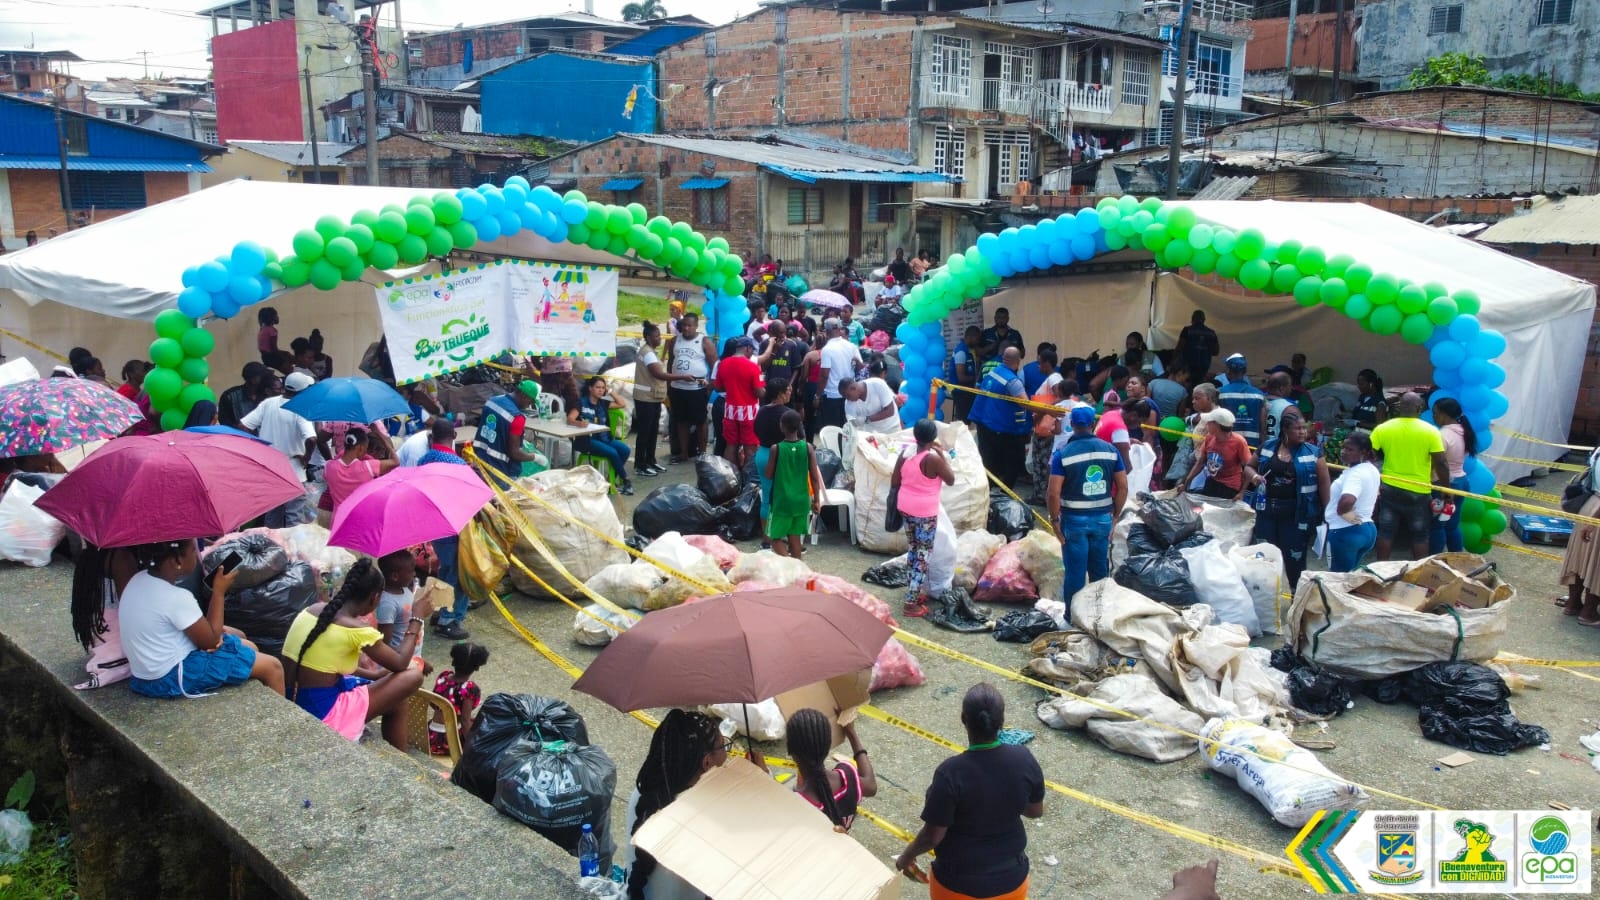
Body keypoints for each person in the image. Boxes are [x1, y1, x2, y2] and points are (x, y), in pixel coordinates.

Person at [895, 684, 1044, 899]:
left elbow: (932, 837)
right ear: (1001, 722)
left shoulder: (950, 773)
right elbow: (1035, 811)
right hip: (1012, 880)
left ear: (963, 719)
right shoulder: (1023, 758)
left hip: (958, 884)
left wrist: (905, 858)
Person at [282, 558, 430, 749]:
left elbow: (325, 665)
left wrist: (376, 675)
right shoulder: (356, 629)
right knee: (412, 675)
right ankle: (402, 761)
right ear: (375, 598)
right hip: (323, 714)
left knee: (397, 698)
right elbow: (401, 663)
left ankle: (401, 759)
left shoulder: (310, 611)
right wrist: (416, 617)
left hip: (292, 698)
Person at [119, 539, 284, 699]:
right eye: (192, 551)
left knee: (246, 642)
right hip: (170, 678)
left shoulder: (138, 579)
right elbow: (210, 643)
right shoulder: (177, 597)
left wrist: (213, 634)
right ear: (177, 560)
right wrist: (219, 592)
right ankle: (282, 725)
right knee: (273, 667)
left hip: (145, 674)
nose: (197, 556)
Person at [626, 710, 754, 899]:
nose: (727, 754)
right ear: (707, 762)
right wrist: (761, 781)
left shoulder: (642, 795)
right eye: (723, 747)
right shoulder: (709, 819)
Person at [1049, 406, 1129, 605]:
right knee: (1099, 571)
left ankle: (1072, 616)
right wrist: (1116, 515)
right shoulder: (1111, 451)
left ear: (1073, 425)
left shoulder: (1063, 454)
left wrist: (1054, 519)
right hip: (1102, 519)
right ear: (1093, 424)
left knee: (1075, 572)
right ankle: (1097, 616)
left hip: (1074, 521)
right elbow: (1123, 487)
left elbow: (1053, 492)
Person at [1247, 407, 1329, 587]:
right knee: (1265, 555)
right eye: (1298, 429)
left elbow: (1324, 483)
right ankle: (1267, 594)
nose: (1303, 432)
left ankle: (1295, 596)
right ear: (1285, 430)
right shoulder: (1267, 447)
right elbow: (1249, 466)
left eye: (1304, 428)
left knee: (1295, 559)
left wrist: (1327, 513)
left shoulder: (1314, 452)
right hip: (1267, 511)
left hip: (1297, 515)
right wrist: (1254, 477)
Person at [1370, 392, 1448, 561]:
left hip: (1389, 488)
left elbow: (1369, 453)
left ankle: (1380, 572)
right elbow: (1441, 463)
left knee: (1386, 532)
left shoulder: (1383, 428)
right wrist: (1446, 490)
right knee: (1420, 535)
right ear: (1420, 408)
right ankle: (1418, 574)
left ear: (1398, 407)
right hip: (1418, 491)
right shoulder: (1431, 431)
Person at [895, 418, 956, 617]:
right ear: (933, 437)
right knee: (923, 554)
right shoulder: (933, 459)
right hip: (925, 511)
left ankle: (913, 589)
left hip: (905, 505)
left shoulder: (905, 454)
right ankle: (911, 603)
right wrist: (941, 456)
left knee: (913, 548)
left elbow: (895, 479)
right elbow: (951, 480)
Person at [241, 371, 318, 527]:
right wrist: (306, 457)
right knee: (293, 518)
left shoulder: (269, 403)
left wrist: (257, 447)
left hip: (269, 469)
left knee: (272, 517)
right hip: (293, 471)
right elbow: (312, 438)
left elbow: (243, 426)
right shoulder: (300, 408)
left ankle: (271, 548)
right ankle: (290, 551)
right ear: (302, 391)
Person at [786, 709, 877, 831]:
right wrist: (852, 734)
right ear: (828, 746)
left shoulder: (796, 804)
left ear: (791, 752)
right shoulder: (847, 776)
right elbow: (871, 787)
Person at [764, 409, 824, 559]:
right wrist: (816, 500)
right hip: (801, 500)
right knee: (795, 538)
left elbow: (768, 474)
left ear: (782, 426)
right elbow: (815, 478)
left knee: (774, 537)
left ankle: (790, 565)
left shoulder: (776, 449)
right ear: (799, 426)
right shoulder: (808, 447)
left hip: (782, 501)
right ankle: (798, 572)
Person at [971, 346, 1030, 488]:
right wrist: (1048, 411)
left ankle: (989, 492)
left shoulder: (993, 372)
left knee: (989, 462)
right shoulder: (1012, 381)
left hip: (985, 422)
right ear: (1017, 361)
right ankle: (1005, 493)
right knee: (1013, 462)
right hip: (1001, 427)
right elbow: (1026, 404)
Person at [1324, 431, 1381, 572]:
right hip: (1367, 529)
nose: (1344, 452)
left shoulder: (1355, 474)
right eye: (1343, 448)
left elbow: (1348, 500)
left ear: (1363, 452)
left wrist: (1342, 512)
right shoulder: (1372, 469)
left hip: (1345, 532)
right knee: (1351, 578)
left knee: (1338, 581)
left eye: (1349, 450)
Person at [665, 312, 716, 463]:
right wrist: (669, 384)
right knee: (681, 422)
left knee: (701, 422)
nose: (686, 328)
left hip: (697, 389)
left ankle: (702, 453)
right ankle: (684, 453)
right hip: (678, 388)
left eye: (689, 326)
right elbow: (670, 363)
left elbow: (715, 364)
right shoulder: (675, 341)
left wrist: (710, 385)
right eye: (684, 325)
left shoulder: (704, 341)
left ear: (695, 326)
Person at [1558, 445, 1600, 627]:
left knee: (1580, 559)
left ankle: (1573, 603)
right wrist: (1593, 523)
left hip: (1589, 504)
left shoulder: (1598, 450)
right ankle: (1588, 612)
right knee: (1596, 565)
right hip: (1597, 514)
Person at [1429, 397, 1477, 554]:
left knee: (1437, 526)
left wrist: (1441, 486)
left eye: (1435, 413)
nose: (1433, 417)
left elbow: (1439, 462)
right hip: (1462, 481)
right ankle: (1458, 559)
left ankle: (1432, 561)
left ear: (1444, 414)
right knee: (1452, 525)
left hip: (1444, 484)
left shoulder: (1442, 435)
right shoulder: (1463, 430)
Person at [571, 376, 634, 495]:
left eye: (603, 388)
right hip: (587, 440)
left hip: (604, 438)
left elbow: (622, 404)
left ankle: (611, 480)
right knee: (613, 452)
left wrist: (610, 391)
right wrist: (579, 423)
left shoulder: (603, 402)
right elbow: (570, 419)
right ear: (590, 388)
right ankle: (626, 480)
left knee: (625, 450)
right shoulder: (582, 403)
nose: (600, 390)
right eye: (597, 387)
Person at [1176, 408, 1255, 501]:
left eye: (1209, 422)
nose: (1206, 424)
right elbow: (1200, 462)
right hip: (1212, 481)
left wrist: (1242, 492)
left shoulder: (1239, 442)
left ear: (1216, 425)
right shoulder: (1209, 438)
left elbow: (1248, 467)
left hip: (1230, 487)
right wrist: (1186, 484)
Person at [714, 336, 767, 470]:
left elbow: (718, 388)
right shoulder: (752, 366)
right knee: (750, 448)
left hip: (730, 410)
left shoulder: (723, 363)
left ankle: (731, 477)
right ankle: (749, 480)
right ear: (748, 348)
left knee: (731, 445)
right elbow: (759, 392)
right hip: (748, 412)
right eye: (752, 351)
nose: (752, 354)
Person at [473, 379, 541, 482]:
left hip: (479, 461)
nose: (529, 405)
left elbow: (497, 431)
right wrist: (535, 457)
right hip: (500, 470)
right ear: (524, 396)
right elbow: (514, 453)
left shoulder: (492, 401)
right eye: (531, 401)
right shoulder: (517, 418)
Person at [753, 378, 794, 548]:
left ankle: (767, 538)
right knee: (785, 498)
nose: (790, 393)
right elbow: (797, 439)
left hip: (763, 454)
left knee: (767, 497)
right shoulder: (788, 414)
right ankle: (784, 537)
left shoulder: (762, 411)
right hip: (781, 457)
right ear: (781, 394)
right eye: (788, 390)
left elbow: (755, 430)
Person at [430, 641, 490, 756]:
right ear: (477, 667)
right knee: (481, 728)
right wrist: (471, 748)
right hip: (448, 741)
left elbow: (433, 703)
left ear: (453, 661)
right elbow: (464, 721)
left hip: (432, 734)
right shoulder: (470, 689)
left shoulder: (443, 677)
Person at [323, 424, 398, 513]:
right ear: (361, 448)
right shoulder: (367, 467)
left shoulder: (329, 467)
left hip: (338, 521)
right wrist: (379, 434)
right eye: (365, 449)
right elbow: (395, 461)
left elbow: (341, 456)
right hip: (360, 520)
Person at [632, 322, 672, 477]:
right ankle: (640, 465)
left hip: (653, 398)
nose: (659, 339)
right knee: (645, 432)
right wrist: (681, 377)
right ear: (648, 337)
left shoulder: (652, 352)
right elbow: (658, 374)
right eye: (656, 336)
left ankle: (651, 460)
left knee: (653, 430)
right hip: (644, 399)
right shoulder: (647, 352)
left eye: (660, 336)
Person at [1167, 382, 1217, 489]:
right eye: (1193, 398)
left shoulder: (1216, 418)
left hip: (1208, 469)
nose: (1193, 402)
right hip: (1194, 465)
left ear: (1209, 398)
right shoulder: (1198, 417)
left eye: (1197, 398)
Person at [817, 319, 863, 430]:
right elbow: (861, 366)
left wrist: (817, 395)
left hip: (833, 395)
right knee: (848, 428)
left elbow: (824, 375)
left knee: (834, 429)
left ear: (826, 331)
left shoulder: (827, 350)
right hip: (850, 393)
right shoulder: (851, 346)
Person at [1217, 353, 1266, 450]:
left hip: (1227, 445)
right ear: (1245, 371)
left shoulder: (1219, 393)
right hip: (1252, 446)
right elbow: (1263, 426)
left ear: (1228, 371)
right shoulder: (1259, 395)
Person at [217, 362, 269, 429]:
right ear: (254, 380)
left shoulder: (268, 395)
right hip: (240, 437)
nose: (268, 380)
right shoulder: (229, 396)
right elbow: (225, 422)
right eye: (264, 377)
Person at [948, 325, 982, 422]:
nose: (978, 341)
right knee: (963, 422)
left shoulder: (970, 350)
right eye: (977, 338)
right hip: (961, 393)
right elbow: (961, 377)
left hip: (968, 391)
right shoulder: (961, 352)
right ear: (970, 337)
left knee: (970, 419)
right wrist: (976, 378)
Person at [1175, 309, 1218, 382]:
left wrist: (1174, 360)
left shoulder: (1187, 330)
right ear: (1204, 320)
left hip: (1188, 365)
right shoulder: (1211, 333)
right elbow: (1216, 351)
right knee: (1199, 384)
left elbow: (1180, 347)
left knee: (1187, 384)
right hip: (1204, 366)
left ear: (1192, 319)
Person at [1261, 369, 1295, 447]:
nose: (1291, 388)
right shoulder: (1288, 407)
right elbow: (1295, 434)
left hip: (1260, 449)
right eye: (1289, 386)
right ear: (1281, 388)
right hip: (1278, 451)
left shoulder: (1259, 401)